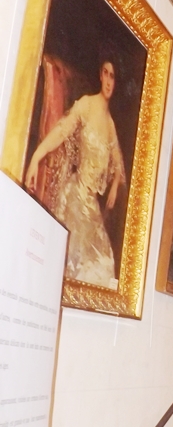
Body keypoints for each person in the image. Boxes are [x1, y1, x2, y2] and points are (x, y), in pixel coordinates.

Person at [25, 56, 125, 288]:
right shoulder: (86, 105)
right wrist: (36, 157)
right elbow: (61, 131)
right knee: (79, 265)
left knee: (105, 265)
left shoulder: (110, 125)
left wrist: (114, 184)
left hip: (92, 206)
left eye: (113, 77)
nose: (109, 81)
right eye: (106, 74)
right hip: (75, 198)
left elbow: (118, 162)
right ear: (100, 75)